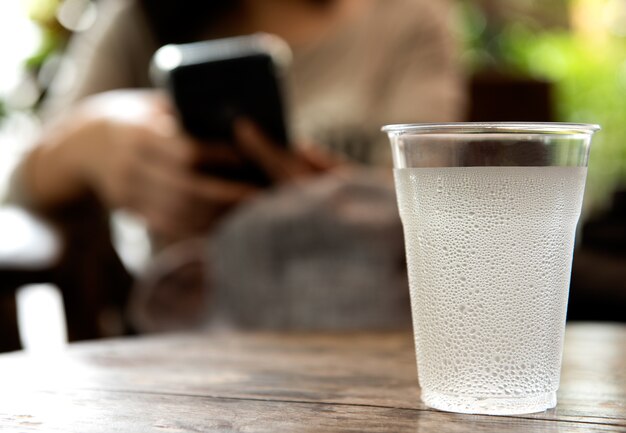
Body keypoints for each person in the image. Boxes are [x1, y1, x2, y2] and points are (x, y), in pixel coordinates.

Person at [5, 0, 465, 334]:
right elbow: (19, 187)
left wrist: (327, 201)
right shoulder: (141, 16)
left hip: (365, 329)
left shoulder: (407, 18)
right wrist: (93, 140)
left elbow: (432, 203)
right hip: (179, 338)